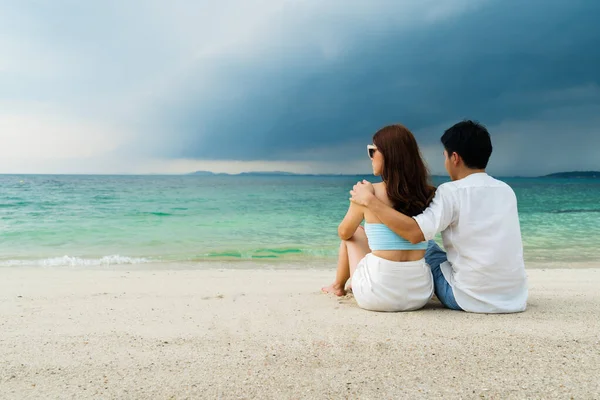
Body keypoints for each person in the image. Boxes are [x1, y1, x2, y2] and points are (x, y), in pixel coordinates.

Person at [350, 120, 528, 313]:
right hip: (514, 298)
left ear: (455, 158)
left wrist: (370, 201)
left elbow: (414, 234)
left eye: (445, 156)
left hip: (466, 298)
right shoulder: (506, 191)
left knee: (427, 247)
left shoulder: (451, 192)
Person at [322, 124, 437, 312]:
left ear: (388, 155)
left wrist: (364, 201)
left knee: (353, 233)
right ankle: (341, 285)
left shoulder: (369, 192)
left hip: (377, 295)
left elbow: (343, 232)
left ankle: (337, 286)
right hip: (419, 294)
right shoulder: (429, 194)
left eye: (372, 151)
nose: (371, 157)